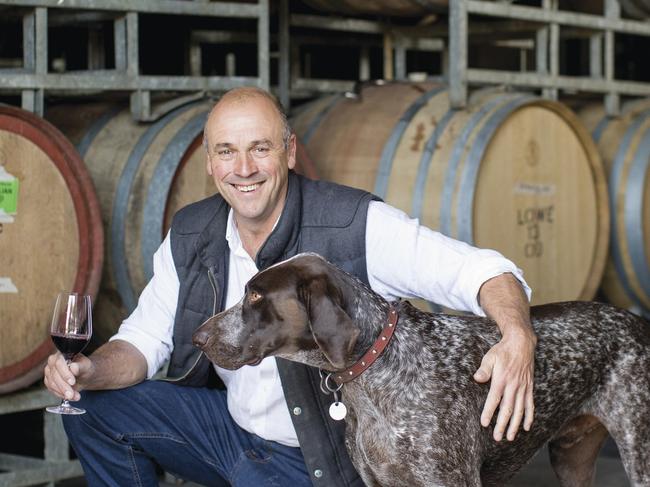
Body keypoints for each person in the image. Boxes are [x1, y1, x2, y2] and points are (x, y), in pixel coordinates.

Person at [44, 87, 537, 487]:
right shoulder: (192, 232)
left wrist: (517, 337)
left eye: (261, 147)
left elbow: (485, 272)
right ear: (210, 163)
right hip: (228, 433)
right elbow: (144, 342)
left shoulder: (352, 223)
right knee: (89, 406)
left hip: (317, 460)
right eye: (227, 152)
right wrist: (89, 369)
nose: (244, 168)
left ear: (290, 151)